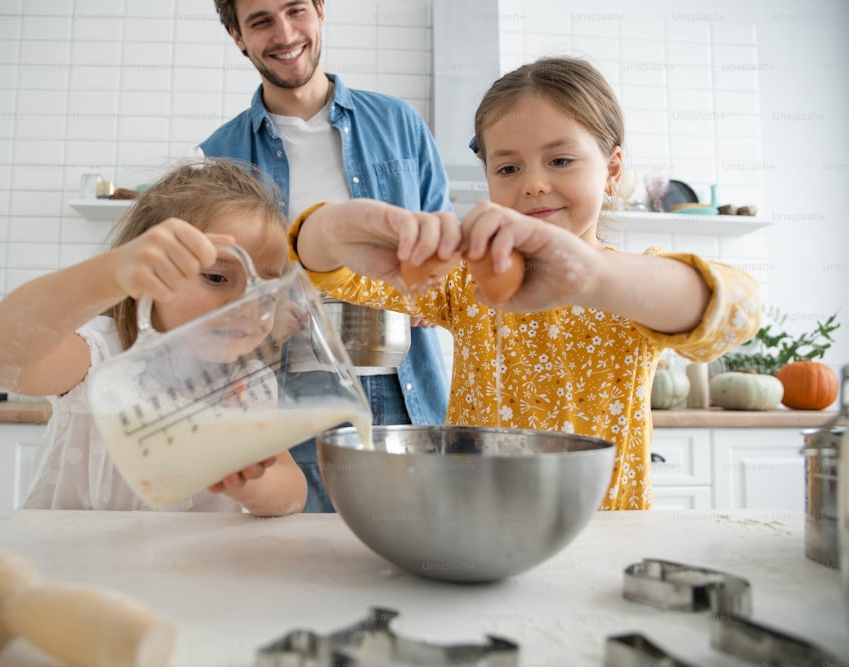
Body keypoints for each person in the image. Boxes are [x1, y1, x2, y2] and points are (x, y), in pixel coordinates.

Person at [286, 57, 762, 510]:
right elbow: (331, 273)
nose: (533, 184)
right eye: (509, 168)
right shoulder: (463, 282)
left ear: (612, 171)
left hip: (602, 533)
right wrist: (331, 228)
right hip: (476, 524)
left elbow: (738, 311)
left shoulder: (630, 287)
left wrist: (593, 278)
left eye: (560, 160)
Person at [199, 0, 452, 512]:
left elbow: (446, 251)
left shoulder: (400, 123)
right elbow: (215, 289)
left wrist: (435, 284)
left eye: (296, 10)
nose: (285, 33)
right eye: (260, 21)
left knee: (410, 555)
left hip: (404, 388)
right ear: (237, 36)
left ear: (319, 11)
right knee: (302, 564)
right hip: (291, 396)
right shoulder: (221, 155)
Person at [0, 159, 307, 516]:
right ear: (147, 273)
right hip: (75, 565)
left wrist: (246, 478)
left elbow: (292, 494)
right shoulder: (101, 357)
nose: (246, 305)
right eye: (217, 278)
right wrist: (109, 275)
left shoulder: (247, 384)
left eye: (265, 289)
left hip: (194, 570)